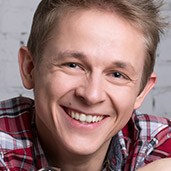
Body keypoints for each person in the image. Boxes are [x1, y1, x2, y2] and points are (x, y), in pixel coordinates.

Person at [0, 0, 171, 170]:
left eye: (117, 75)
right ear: (29, 68)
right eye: (72, 65)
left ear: (141, 91)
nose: (92, 95)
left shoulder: (157, 141)